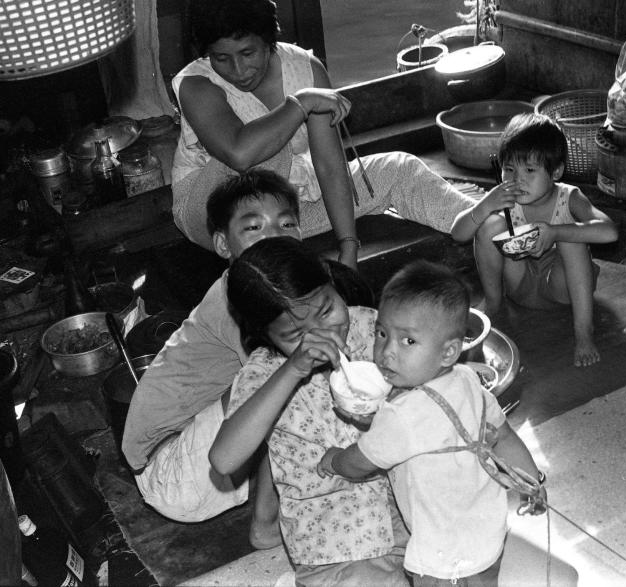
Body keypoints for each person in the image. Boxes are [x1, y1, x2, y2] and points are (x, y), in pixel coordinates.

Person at [122, 170, 372, 547]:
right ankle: (267, 523)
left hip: (206, 459)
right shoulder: (233, 304)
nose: (273, 236)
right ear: (224, 245)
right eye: (254, 227)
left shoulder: (290, 289)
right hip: (176, 470)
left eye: (286, 223)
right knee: (291, 388)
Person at [172, 0, 473, 263]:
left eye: (247, 53)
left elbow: (329, 166)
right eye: (221, 58)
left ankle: (491, 221)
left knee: (397, 169)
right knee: (268, 153)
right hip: (214, 217)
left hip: (290, 206)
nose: (238, 70)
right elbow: (239, 154)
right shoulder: (197, 84)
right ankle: (269, 266)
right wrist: (301, 103)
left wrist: (348, 246)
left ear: (268, 39)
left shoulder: (306, 69)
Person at [319, 260, 545, 586]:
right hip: (489, 538)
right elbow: (504, 437)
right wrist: (533, 484)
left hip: (441, 559)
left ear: (449, 351)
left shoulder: (401, 417)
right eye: (382, 333)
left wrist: (334, 460)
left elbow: (358, 464)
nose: (387, 352)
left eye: (408, 341)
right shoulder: (468, 380)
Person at [209, 236, 408, 586]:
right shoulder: (264, 374)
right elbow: (224, 460)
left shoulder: (369, 326)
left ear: (332, 283)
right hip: (335, 541)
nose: (323, 335)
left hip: (407, 508)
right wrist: (294, 369)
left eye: (327, 310)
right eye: (296, 334)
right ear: (266, 335)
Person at [450, 113, 618, 367]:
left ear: (556, 172)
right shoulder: (505, 199)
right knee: (490, 225)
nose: (518, 180)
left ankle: (584, 331)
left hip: (561, 290)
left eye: (530, 170)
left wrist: (555, 232)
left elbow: (610, 231)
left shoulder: (568, 197)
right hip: (520, 289)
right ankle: (494, 305)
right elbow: (458, 233)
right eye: (509, 169)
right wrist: (486, 205)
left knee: (570, 237)